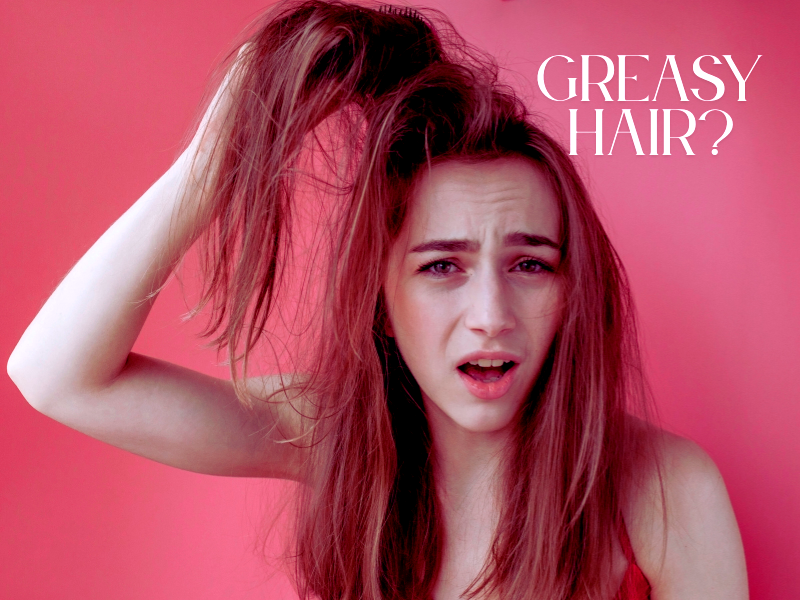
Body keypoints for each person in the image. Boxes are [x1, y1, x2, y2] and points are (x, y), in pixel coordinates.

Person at [7, 1, 748, 599]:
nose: (491, 313)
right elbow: (57, 376)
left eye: (529, 263)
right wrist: (216, 159)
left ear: (573, 290)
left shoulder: (663, 489)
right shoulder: (333, 435)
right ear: (383, 296)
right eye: (440, 268)